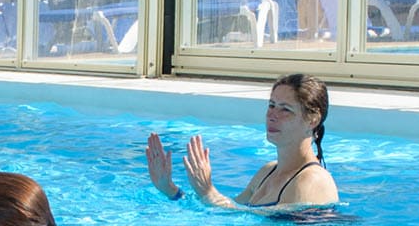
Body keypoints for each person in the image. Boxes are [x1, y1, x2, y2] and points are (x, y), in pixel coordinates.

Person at [142, 74, 341, 213]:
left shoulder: (312, 181)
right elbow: (222, 212)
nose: (272, 115)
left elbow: (251, 223)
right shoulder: (268, 171)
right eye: (271, 105)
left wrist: (209, 191)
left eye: (285, 109)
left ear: (312, 120)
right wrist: (171, 190)